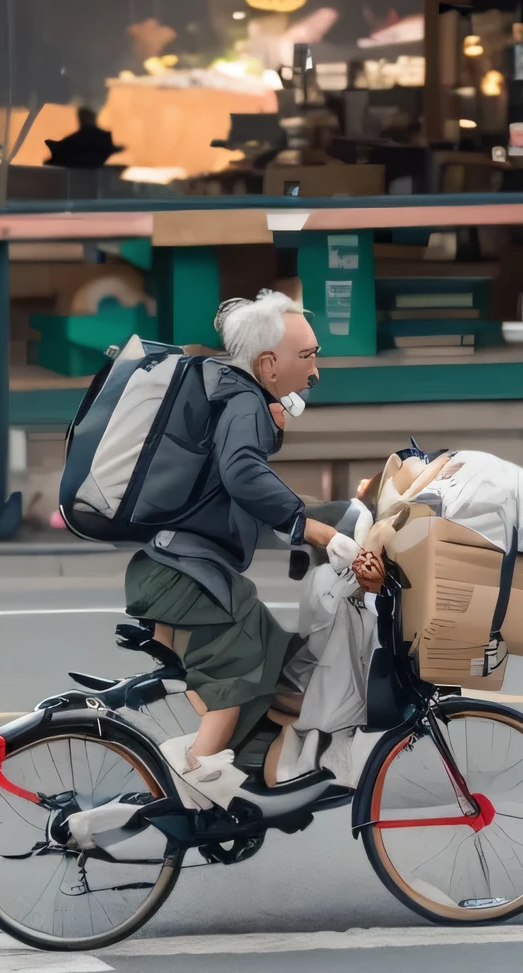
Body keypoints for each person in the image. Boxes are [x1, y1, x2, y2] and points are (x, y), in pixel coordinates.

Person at [123, 289, 368, 810]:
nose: (316, 371)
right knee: (237, 679)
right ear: (268, 364)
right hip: (188, 579)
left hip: (183, 572)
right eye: (307, 357)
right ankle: (189, 799)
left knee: (278, 672)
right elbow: (242, 474)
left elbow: (246, 489)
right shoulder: (244, 400)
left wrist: (321, 516)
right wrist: (316, 530)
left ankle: (266, 784)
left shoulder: (233, 394)